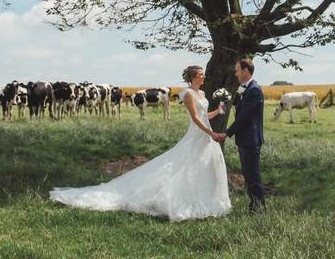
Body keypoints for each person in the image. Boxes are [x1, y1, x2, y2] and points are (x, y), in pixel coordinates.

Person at [49, 65, 231, 221]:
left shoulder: (202, 93)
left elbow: (204, 117)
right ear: (192, 77)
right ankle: (177, 199)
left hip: (206, 137)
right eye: (201, 74)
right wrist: (212, 132)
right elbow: (195, 119)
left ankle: (202, 198)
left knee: (201, 167)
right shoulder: (189, 94)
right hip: (198, 135)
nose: (204, 76)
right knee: (182, 166)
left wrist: (217, 111)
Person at [218, 58, 266, 213]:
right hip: (244, 139)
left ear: (246, 71)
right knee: (248, 174)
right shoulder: (243, 88)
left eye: (238, 70)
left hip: (251, 139)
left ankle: (259, 208)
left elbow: (244, 117)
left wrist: (227, 133)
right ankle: (254, 205)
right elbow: (238, 107)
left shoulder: (254, 90)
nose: (236, 73)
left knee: (253, 175)